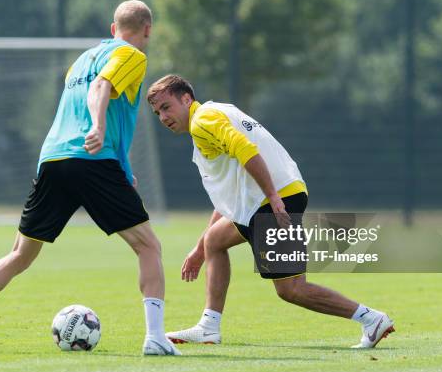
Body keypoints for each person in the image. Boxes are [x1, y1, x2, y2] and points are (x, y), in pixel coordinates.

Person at [0, 0, 180, 356]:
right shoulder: (133, 56)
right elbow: (101, 89)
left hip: (53, 159)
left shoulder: (80, 60)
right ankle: (156, 338)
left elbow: (101, 113)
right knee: (148, 246)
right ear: (147, 29)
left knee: (20, 254)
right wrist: (97, 127)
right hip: (92, 158)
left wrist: (125, 172)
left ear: (112, 29)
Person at [146, 74, 395, 348]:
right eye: (157, 112)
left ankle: (371, 318)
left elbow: (247, 150)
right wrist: (199, 249)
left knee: (291, 289)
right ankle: (209, 327)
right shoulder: (217, 111)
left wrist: (274, 196)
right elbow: (233, 193)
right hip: (266, 200)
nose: (163, 117)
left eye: (166, 107)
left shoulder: (203, 122)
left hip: (273, 201)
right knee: (214, 240)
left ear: (186, 99)